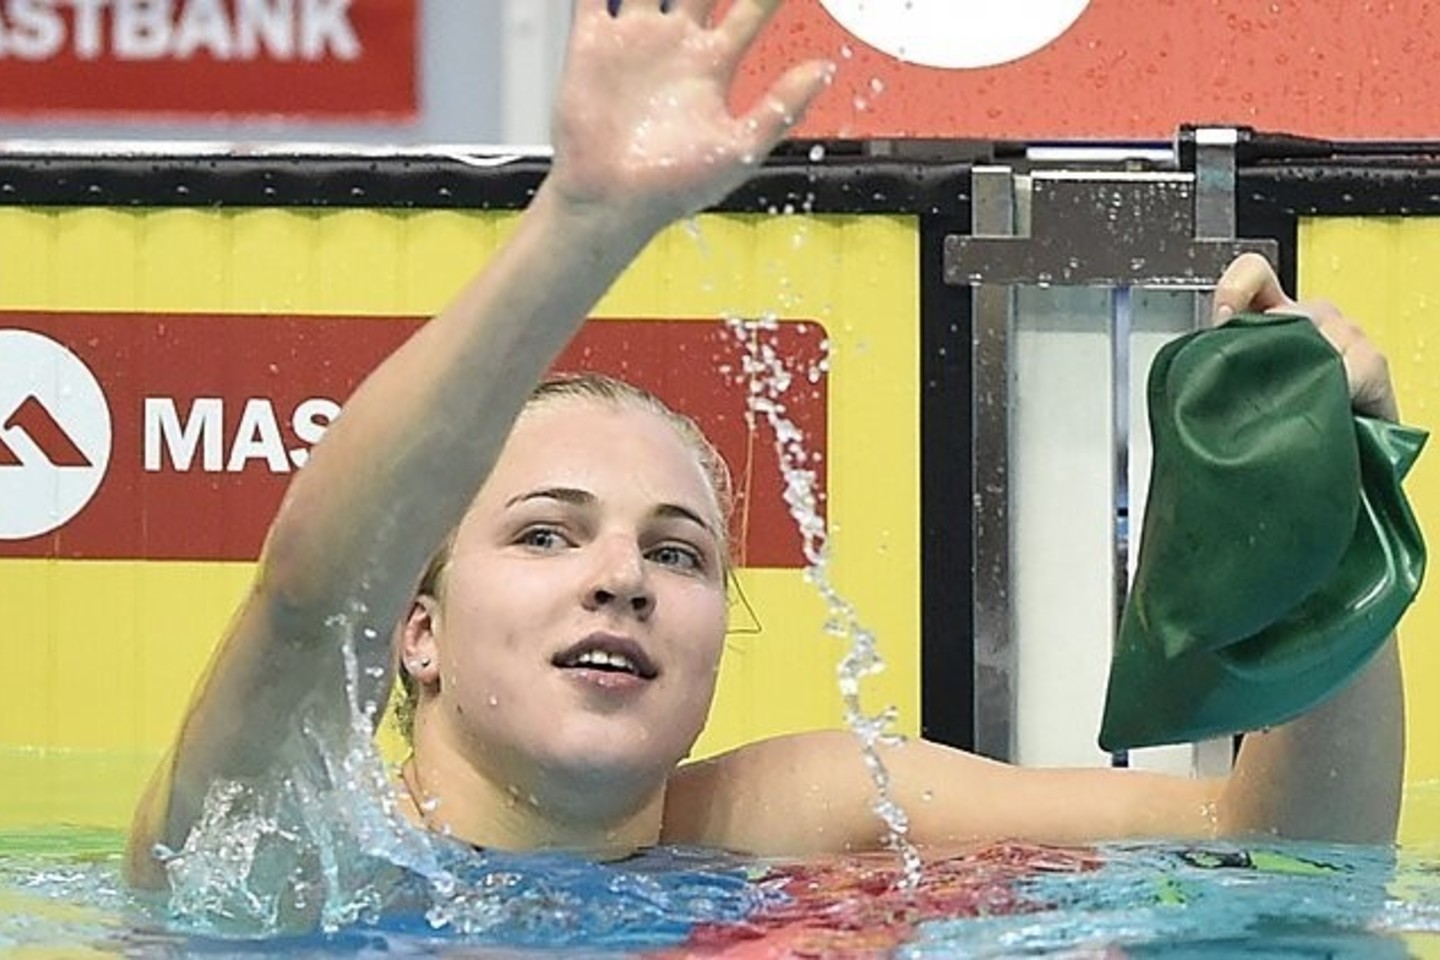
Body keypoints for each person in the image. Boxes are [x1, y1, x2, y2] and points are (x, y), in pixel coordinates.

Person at [125, 0, 1405, 890]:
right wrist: (580, 225)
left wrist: (1335, 478)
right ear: (416, 632)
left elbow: (1289, 850)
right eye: (547, 534)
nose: (623, 579)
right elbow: (309, 599)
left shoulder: (798, 822)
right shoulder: (281, 848)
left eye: (678, 554)